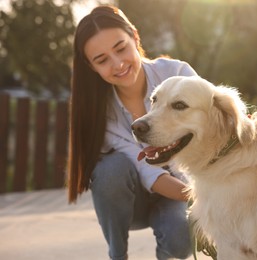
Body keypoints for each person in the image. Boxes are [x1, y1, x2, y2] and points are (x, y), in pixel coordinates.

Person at [67, 5, 198, 260]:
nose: (118, 64)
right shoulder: (99, 112)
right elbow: (149, 172)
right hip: (132, 203)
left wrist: (209, 197)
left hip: (178, 192)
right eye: (102, 60)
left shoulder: (178, 74)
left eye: (121, 48)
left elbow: (212, 126)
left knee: (181, 235)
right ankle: (117, 256)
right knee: (110, 169)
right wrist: (203, 198)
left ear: (135, 37)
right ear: (91, 66)